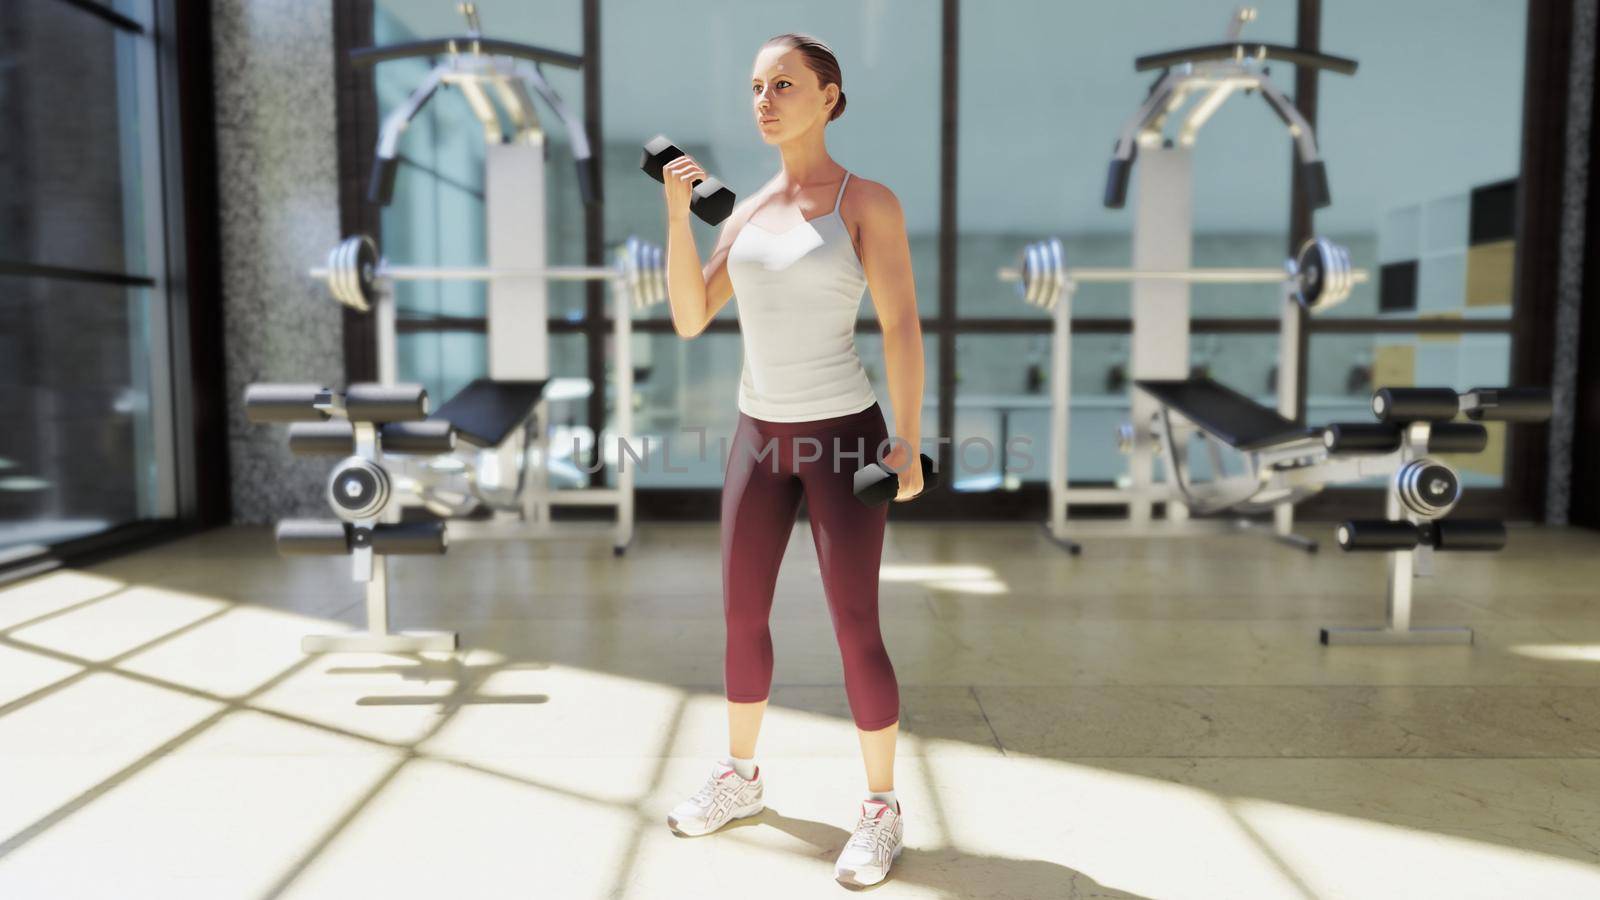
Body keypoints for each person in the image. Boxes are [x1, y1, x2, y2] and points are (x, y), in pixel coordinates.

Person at [657, 32, 926, 889]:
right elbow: (694, 315)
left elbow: (901, 325)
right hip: (758, 435)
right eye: (755, 87)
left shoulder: (866, 202)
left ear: (829, 96)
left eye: (784, 84)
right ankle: (739, 779)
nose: (764, 100)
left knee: (856, 627)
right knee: (742, 617)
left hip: (845, 438)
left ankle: (881, 808)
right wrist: (675, 214)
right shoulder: (743, 212)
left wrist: (908, 438)